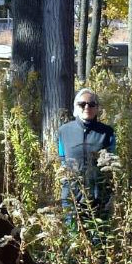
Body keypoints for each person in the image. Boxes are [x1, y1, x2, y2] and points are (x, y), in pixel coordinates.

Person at [57, 88, 116, 219]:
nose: (87, 107)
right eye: (82, 104)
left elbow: (112, 164)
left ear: (97, 108)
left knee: (99, 238)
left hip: (100, 197)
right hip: (72, 196)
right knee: (74, 236)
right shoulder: (63, 132)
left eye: (91, 104)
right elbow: (62, 161)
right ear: (76, 107)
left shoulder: (107, 132)